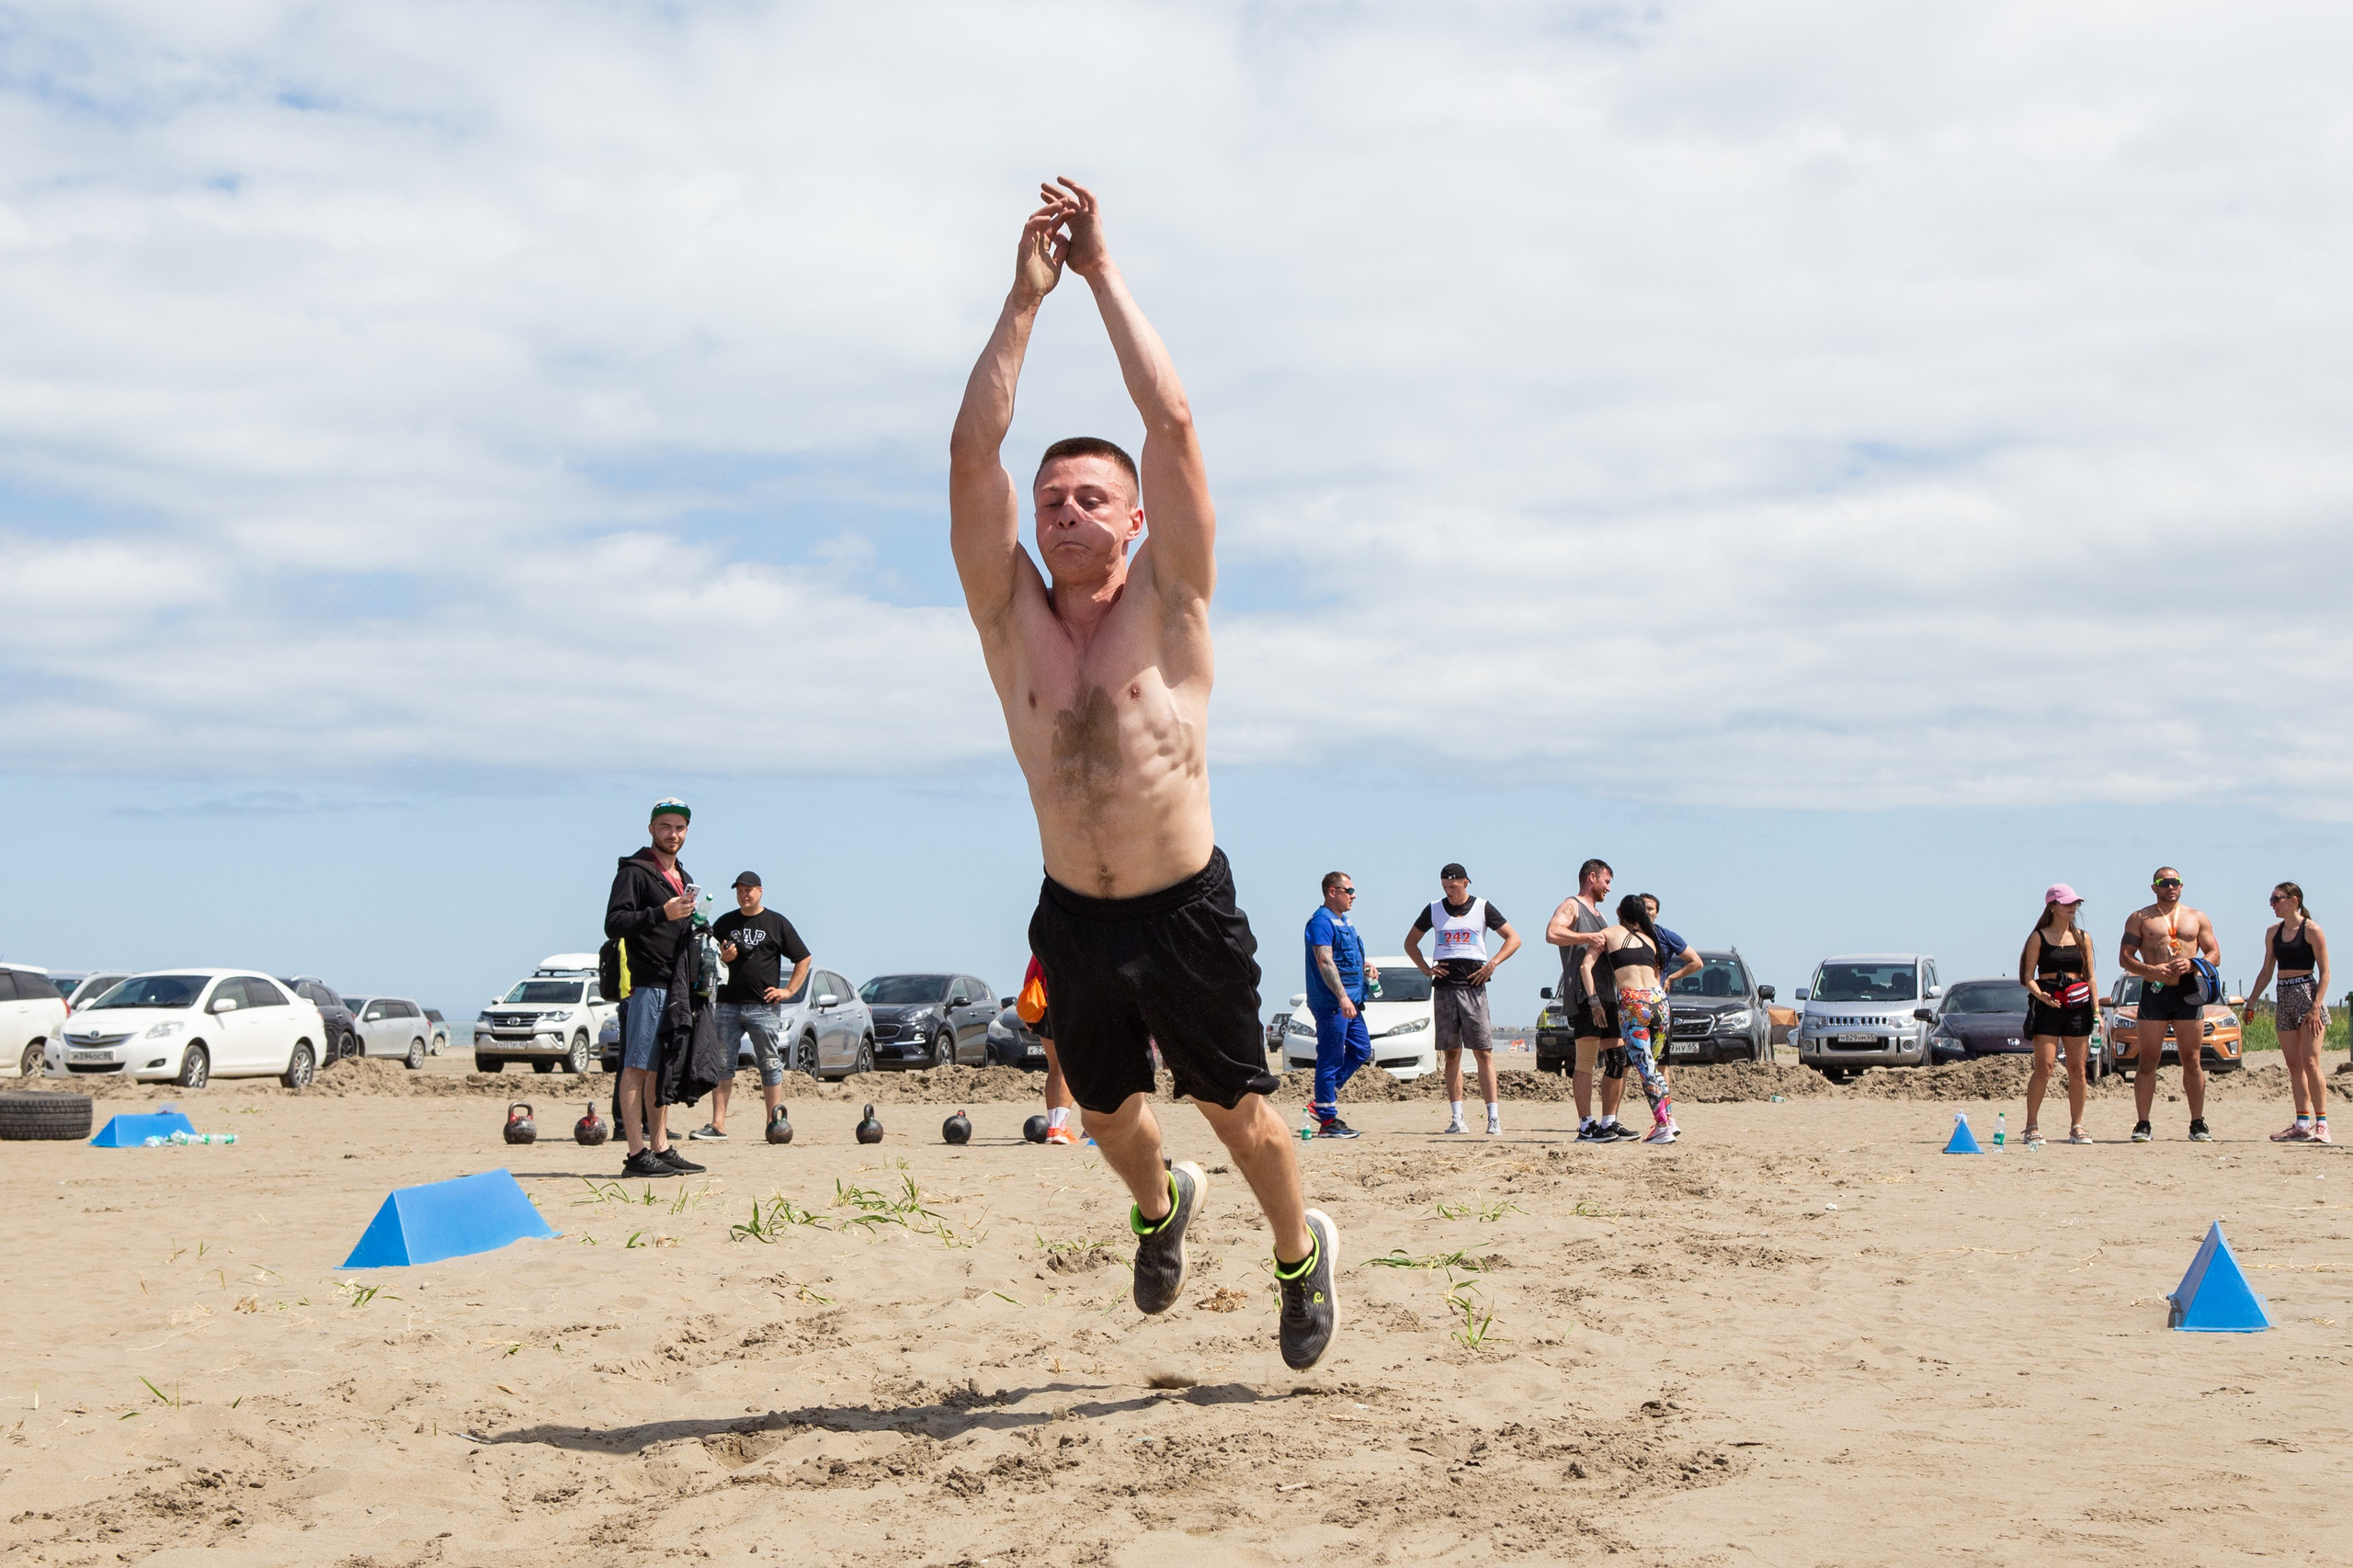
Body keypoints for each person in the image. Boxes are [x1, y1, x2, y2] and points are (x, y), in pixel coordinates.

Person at [948, 178, 1336, 1369]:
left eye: (1090, 498)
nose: (1064, 511)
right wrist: (1024, 301)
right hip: (1072, 909)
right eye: (1052, 498)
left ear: (1134, 520)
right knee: (1109, 1114)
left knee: (1241, 1112)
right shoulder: (1009, 616)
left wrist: (1102, 274)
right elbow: (974, 450)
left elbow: (1172, 427)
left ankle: (1296, 1250)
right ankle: (1162, 1206)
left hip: (1184, 909)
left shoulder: (1173, 603)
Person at [601, 799, 708, 1178]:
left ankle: (660, 1147)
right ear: (651, 829)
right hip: (646, 983)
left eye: (679, 828)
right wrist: (662, 913)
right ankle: (635, 1154)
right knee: (636, 1067)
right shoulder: (635, 871)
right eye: (665, 827)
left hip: (675, 983)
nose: (672, 834)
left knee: (662, 1070)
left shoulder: (681, 873)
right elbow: (614, 923)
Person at [688, 872, 812, 1142]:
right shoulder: (725, 922)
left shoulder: (776, 923)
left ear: (761, 891)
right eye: (740, 891)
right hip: (727, 1004)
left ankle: (773, 1123)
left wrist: (789, 990)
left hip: (763, 1006)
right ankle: (718, 1124)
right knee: (722, 1064)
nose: (744, 895)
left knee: (769, 1063)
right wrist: (722, 955)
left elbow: (803, 957)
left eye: (749, 890)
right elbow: (705, 953)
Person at [1405, 864, 1522, 1135]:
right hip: (1445, 987)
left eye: (1454, 887)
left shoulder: (1482, 908)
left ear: (1466, 883)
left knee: (1483, 1051)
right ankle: (1457, 1118)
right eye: (1445, 887)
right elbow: (1410, 942)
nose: (1450, 892)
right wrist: (1426, 968)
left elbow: (1513, 938)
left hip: (1474, 986)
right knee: (1451, 1053)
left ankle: (1493, 1117)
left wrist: (1492, 964)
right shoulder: (1434, 909)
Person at [2119, 866, 2221, 1142]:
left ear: (2182, 886)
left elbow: (2214, 954)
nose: (2170, 887)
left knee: (2192, 1059)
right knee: (2148, 1060)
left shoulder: (2196, 917)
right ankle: (2143, 1124)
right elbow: (2125, 957)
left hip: (2187, 991)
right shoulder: (2140, 918)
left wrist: (2193, 962)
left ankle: (2197, 1123)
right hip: (2155, 991)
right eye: (2164, 883)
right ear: (2154, 887)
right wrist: (2149, 971)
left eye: (2175, 882)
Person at [1579, 893, 1680, 1143]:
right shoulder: (1650, 939)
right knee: (1653, 1068)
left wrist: (1594, 1001)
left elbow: (1585, 967)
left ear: (1619, 913)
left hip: (1634, 1004)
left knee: (1645, 1070)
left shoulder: (1609, 933)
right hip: (1659, 1004)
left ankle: (1663, 1126)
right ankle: (1668, 1119)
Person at [1545, 858, 1630, 1142]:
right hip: (1585, 996)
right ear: (1591, 877)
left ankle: (1609, 1122)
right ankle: (1585, 1125)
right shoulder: (1572, 906)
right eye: (1606, 881)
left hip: (1609, 996)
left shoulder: (1602, 916)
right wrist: (1586, 936)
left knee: (1618, 1058)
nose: (1608, 887)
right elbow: (1552, 933)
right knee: (1586, 1061)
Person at [2250, 881, 2331, 1144]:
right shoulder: (2273, 932)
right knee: (2293, 1065)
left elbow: (2325, 971)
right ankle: (2301, 1123)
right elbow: (2266, 971)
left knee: (2310, 1061)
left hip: (2307, 996)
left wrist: (2316, 1006)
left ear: (2293, 900)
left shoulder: (2311, 930)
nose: (2272, 904)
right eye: (2271, 900)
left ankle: (2322, 1124)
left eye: (2277, 899)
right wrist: (2251, 1002)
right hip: (2283, 995)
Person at [2018, 883, 2097, 1148]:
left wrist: (2096, 1012)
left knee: (2078, 1068)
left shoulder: (2083, 938)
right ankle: (2031, 1125)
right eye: (2067, 903)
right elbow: (2027, 977)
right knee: (2046, 1066)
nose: (2073, 907)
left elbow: (2091, 977)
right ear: (2053, 906)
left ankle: (2077, 1126)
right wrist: (2040, 995)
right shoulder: (2038, 938)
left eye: (2075, 903)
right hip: (2048, 1001)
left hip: (2078, 1002)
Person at [1304, 871, 1377, 1138]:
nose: (1353, 895)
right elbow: (1325, 961)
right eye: (1349, 890)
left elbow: (1346, 957)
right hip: (1333, 1003)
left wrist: (1365, 965)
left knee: (1361, 1049)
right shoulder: (1321, 922)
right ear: (1332, 892)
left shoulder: (1343, 921)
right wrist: (1342, 996)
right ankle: (1327, 1121)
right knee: (1331, 1057)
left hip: (1353, 999)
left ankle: (1322, 1100)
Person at [1017, 954, 1081, 1145]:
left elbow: (1030, 975)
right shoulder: (1076, 939)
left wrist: (1029, 1012)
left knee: (1054, 1068)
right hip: (1069, 1006)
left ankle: (1053, 1128)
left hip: (1043, 1006)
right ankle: (1060, 1128)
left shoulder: (1042, 937)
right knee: (1067, 1069)